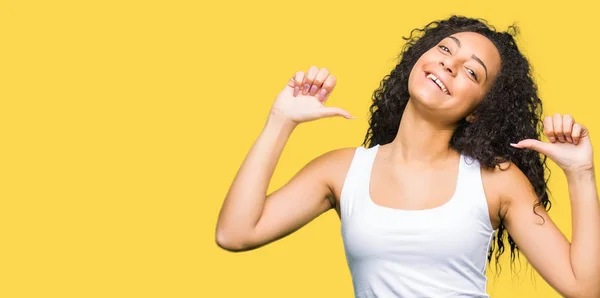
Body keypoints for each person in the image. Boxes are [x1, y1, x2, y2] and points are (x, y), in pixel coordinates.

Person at [215, 15, 600, 297]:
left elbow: (584, 287)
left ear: (479, 110)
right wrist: (281, 120)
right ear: (419, 59)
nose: (450, 63)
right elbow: (235, 233)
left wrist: (581, 173)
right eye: (446, 49)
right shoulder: (341, 171)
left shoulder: (495, 181)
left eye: (472, 72)